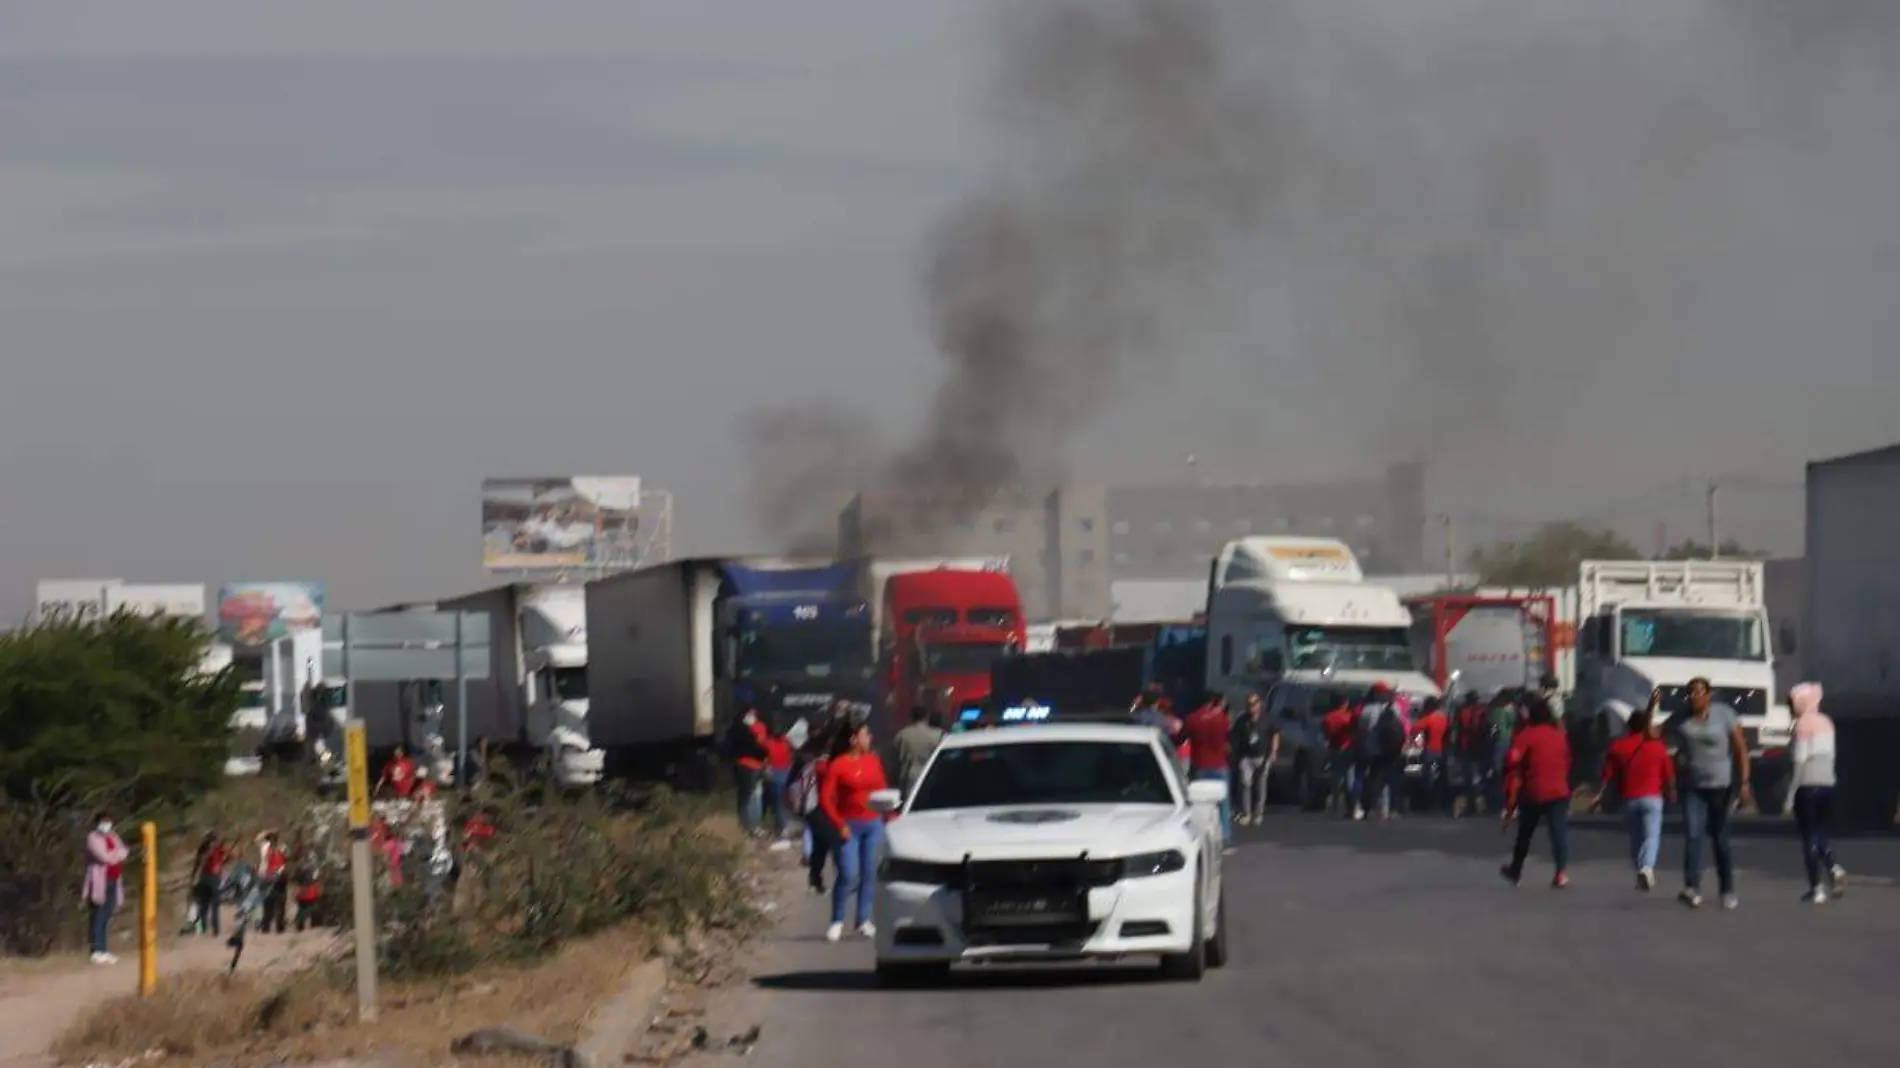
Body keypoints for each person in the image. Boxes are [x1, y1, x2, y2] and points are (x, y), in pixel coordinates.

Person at [1666, 676, 1752, 909]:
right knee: (1693, 835)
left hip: (1720, 787)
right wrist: (1650, 708)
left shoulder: (1724, 714)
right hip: (1692, 787)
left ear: (1708, 694)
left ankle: (1727, 889)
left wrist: (1744, 782)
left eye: (1699, 692)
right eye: (1691, 693)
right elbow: (1654, 735)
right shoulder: (1681, 717)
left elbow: (1740, 747)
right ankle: (1692, 887)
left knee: (1720, 838)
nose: (1694, 696)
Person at [1592, 696, 1676, 890]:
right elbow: (1668, 774)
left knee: (1636, 837)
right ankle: (1646, 868)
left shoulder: (1618, 747)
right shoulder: (1657, 747)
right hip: (1653, 797)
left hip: (1629, 798)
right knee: (1651, 836)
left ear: (1628, 726)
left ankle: (1640, 868)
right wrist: (1671, 792)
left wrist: (1599, 795)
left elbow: (1608, 775)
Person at [818, 721, 889, 942]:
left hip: (873, 823)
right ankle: (837, 920)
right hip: (849, 825)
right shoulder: (839, 765)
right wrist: (839, 824)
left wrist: (890, 811)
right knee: (849, 874)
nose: (870, 739)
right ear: (854, 739)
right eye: (866, 735)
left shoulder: (873, 760)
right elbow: (826, 799)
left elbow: (882, 789)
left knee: (869, 873)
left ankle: (863, 919)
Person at [1499, 697, 1574, 888]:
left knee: (1525, 833)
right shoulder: (1559, 736)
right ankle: (1561, 872)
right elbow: (1568, 760)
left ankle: (1516, 869)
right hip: (1558, 790)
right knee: (1558, 833)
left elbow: (1512, 759)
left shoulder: (1527, 735)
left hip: (1534, 791)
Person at [1788, 682, 1847, 903]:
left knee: (1809, 837)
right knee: (1821, 831)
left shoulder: (1802, 724)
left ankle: (1817, 888)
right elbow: (1831, 755)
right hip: (1828, 783)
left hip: (1807, 785)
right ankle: (1834, 867)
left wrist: (1789, 795)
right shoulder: (1827, 722)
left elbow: (1799, 760)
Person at [1182, 693, 1236, 850]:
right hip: (1220, 765)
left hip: (1200, 766)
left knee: (1200, 803)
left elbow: (1183, 735)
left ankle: (1201, 835)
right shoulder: (1221, 718)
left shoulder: (1192, 719)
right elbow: (1228, 735)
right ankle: (1224, 837)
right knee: (1223, 804)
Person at [82, 812, 129, 964]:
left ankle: (104, 949)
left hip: (114, 880)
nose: (106, 824)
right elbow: (104, 857)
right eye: (103, 821)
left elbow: (124, 851)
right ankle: (96, 950)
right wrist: (116, 855)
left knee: (107, 915)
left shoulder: (114, 837)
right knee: (98, 915)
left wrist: (115, 855)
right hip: (99, 882)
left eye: (108, 821)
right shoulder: (92, 838)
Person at [1230, 693, 1278, 826]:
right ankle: (1247, 813)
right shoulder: (1242, 720)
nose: (1251, 707)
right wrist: (1235, 753)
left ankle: (1259, 813)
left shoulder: (1267, 719)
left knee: (1261, 785)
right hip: (1246, 757)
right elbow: (1234, 737)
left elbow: (1274, 735)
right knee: (1246, 784)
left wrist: (1273, 752)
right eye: (1248, 704)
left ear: (1259, 704)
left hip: (1262, 756)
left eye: (1253, 704)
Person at [725, 708, 769, 836]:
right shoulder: (753, 729)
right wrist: (764, 757)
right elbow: (760, 747)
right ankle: (752, 826)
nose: (752, 717)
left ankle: (746, 826)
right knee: (753, 797)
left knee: (746, 798)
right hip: (752, 766)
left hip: (746, 766)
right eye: (750, 714)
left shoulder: (736, 730)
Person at [1451, 693, 1493, 817]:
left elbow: (1457, 731)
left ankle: (1471, 805)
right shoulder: (1482, 713)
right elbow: (1489, 730)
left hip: (1466, 748)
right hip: (1480, 749)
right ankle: (1484, 804)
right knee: (1481, 777)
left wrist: (1456, 749)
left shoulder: (1462, 713)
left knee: (1468, 779)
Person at [1319, 692, 1358, 815]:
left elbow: (1325, 735)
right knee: (1349, 778)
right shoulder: (1349, 717)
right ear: (1345, 703)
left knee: (1336, 777)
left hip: (1334, 748)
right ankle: (1351, 806)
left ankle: (1335, 805)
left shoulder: (1328, 717)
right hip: (1348, 749)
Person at [893, 705, 945, 796]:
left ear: (911, 717)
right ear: (927, 717)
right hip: (932, 774)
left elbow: (896, 757)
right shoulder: (938, 734)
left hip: (910, 776)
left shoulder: (902, 734)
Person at [1410, 696, 1450, 814]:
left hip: (1429, 750)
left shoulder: (1428, 718)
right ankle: (1440, 802)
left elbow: (1415, 729)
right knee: (1439, 777)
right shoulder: (1443, 718)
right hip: (1442, 751)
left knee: (1428, 778)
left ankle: (1428, 803)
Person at [188, 830, 229, 936]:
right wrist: (193, 877)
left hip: (215, 878)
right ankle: (203, 927)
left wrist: (224, 860)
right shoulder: (204, 849)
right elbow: (198, 862)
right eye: (212, 839)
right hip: (206, 878)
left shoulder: (219, 849)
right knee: (204, 904)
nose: (214, 841)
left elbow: (229, 857)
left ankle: (216, 930)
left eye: (215, 839)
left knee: (215, 905)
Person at [763, 722, 795, 847]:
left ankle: (781, 827)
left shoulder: (767, 743)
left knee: (778, 803)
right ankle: (784, 825)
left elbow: (765, 758)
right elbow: (792, 754)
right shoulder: (786, 741)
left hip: (774, 773)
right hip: (786, 771)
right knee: (785, 801)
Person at [257, 831, 290, 934]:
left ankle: (274, 926)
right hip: (270, 877)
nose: (272, 841)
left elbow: (286, 859)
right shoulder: (267, 848)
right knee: (271, 904)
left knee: (275, 903)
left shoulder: (279, 848)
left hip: (275, 878)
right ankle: (271, 926)